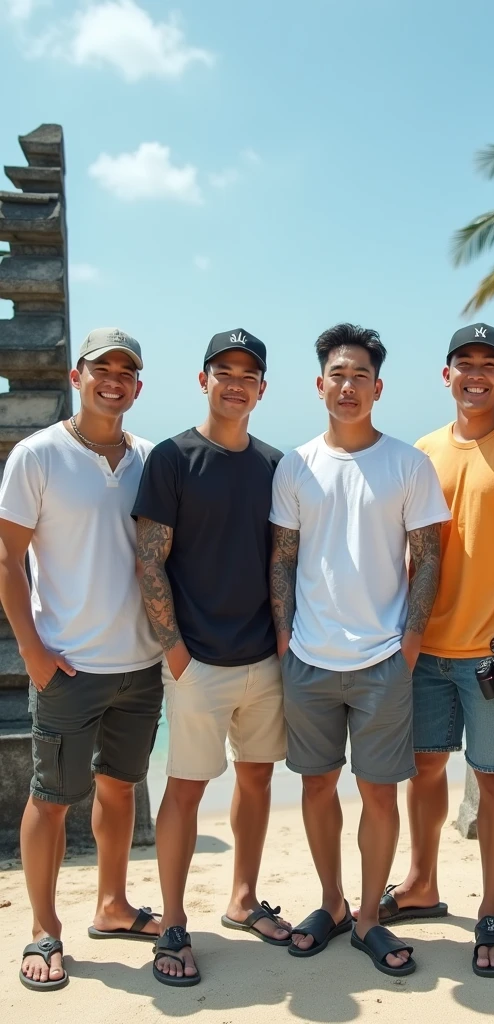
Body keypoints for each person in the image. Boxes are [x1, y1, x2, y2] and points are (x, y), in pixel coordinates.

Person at [374, 323, 494, 978]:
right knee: (425, 771)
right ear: (446, 375)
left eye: (491, 364)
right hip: (422, 649)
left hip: (493, 654)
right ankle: (422, 883)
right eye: (465, 363)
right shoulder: (420, 452)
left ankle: (490, 909)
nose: (477, 373)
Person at [269, 323, 450, 977]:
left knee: (379, 793)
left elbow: (429, 557)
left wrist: (411, 641)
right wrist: (287, 636)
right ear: (320, 385)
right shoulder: (295, 464)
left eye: (360, 376)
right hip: (310, 659)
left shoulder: (407, 463)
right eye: (337, 375)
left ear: (379, 387)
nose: (348, 386)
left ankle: (370, 916)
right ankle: (332, 902)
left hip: (382, 659)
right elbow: (282, 559)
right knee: (316, 786)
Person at [0, 329, 163, 992]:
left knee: (120, 788)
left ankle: (113, 904)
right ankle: (44, 929)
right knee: (51, 798)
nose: (113, 380)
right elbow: (8, 558)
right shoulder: (37, 455)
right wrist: (33, 653)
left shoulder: (152, 459)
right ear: (78, 375)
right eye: (103, 369)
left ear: (138, 386)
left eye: (127, 371)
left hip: (140, 665)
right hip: (67, 666)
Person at [133, 329, 288, 988]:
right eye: (222, 371)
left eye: (247, 374)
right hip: (196, 663)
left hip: (265, 660)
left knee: (255, 780)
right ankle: (173, 921)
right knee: (186, 790)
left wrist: (285, 647)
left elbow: (286, 561)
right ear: (203, 380)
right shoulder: (171, 459)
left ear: (262, 388)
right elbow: (149, 561)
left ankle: (243, 898)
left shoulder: (276, 463)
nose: (234, 382)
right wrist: (175, 654)